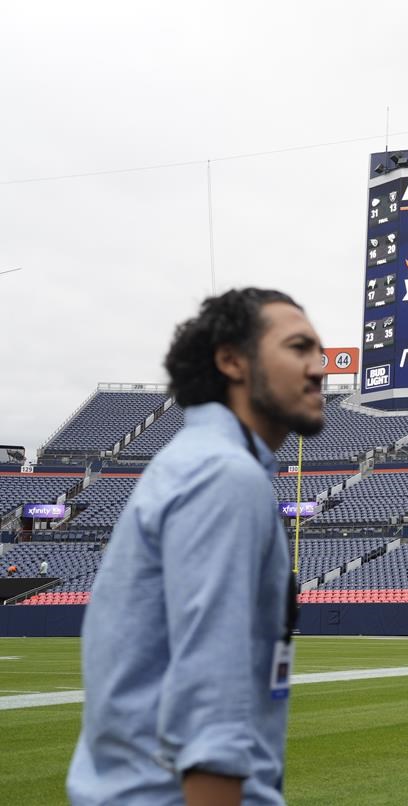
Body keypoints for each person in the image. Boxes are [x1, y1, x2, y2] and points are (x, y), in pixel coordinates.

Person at [68, 288, 326, 805]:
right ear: (231, 360)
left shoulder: (195, 462)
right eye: (298, 347)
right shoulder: (223, 475)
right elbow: (211, 704)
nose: (319, 367)